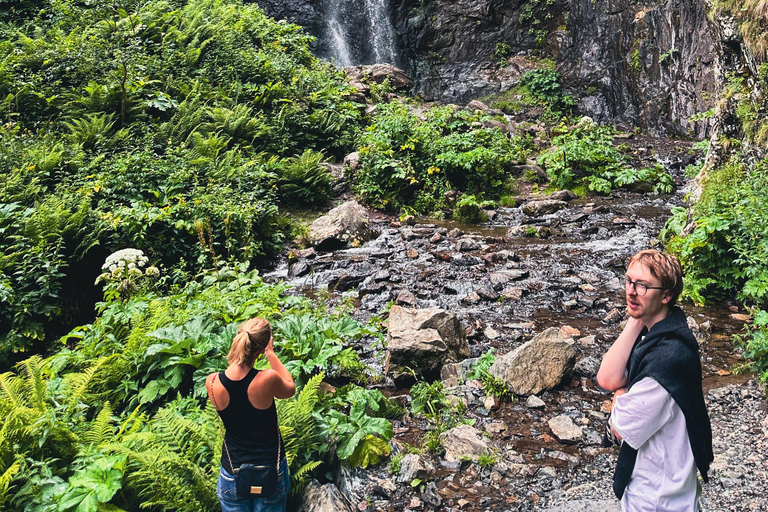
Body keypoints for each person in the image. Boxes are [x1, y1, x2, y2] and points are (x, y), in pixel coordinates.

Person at [597, 250, 713, 512]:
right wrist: (636, 319)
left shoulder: (668, 359)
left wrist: (621, 393)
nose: (631, 291)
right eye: (628, 281)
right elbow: (607, 377)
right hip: (658, 486)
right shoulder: (659, 331)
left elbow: (619, 427)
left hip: (659, 498)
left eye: (643, 286)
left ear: (666, 295)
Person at [207, 318, 296, 512]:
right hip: (269, 470)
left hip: (232, 472)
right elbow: (290, 387)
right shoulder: (266, 379)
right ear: (260, 348)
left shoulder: (212, 382)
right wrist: (270, 353)